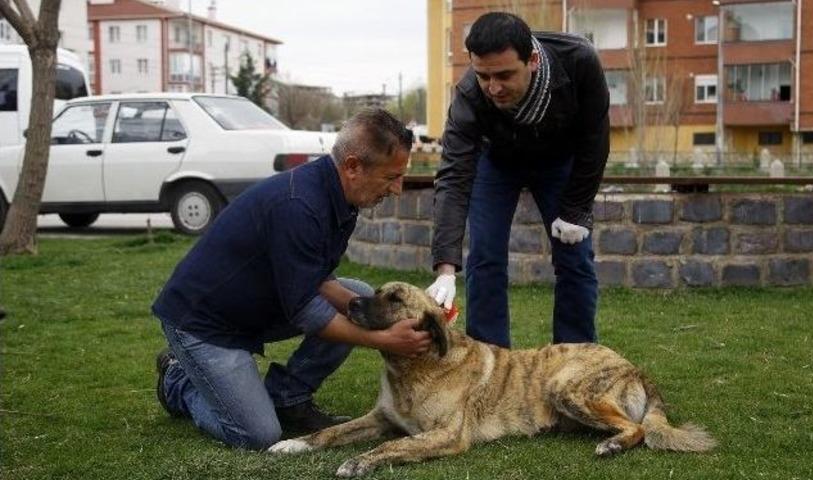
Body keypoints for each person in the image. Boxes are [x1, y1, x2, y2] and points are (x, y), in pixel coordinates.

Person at [151, 108, 431, 450]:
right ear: (353, 166)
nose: (398, 189)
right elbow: (307, 312)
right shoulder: (300, 204)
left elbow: (318, 280)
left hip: (254, 310)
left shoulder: (342, 197)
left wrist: (373, 315)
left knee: (357, 296)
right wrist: (386, 339)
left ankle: (289, 398)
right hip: (203, 325)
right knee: (257, 435)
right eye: (391, 177)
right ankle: (177, 381)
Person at [426, 12, 609, 348]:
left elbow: (594, 139)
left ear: (533, 60)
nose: (493, 88)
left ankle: (576, 358)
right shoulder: (469, 94)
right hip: (496, 163)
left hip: (559, 160)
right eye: (483, 76)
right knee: (484, 257)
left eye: (505, 75)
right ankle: (490, 362)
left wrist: (576, 208)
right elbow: (453, 177)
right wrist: (446, 267)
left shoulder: (579, 60)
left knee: (575, 257)